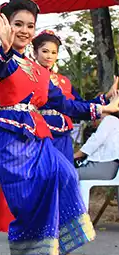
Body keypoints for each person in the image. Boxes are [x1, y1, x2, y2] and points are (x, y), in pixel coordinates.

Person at [0, 0, 119, 255]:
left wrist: (104, 107)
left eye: (29, 25)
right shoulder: (3, 60)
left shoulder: (38, 70)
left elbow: (64, 104)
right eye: (17, 23)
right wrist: (4, 49)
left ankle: (62, 243)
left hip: (40, 138)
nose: (23, 30)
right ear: (6, 24)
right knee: (24, 203)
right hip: (13, 142)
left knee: (66, 174)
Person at [30, 30, 116, 161]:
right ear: (35, 53)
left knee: (65, 174)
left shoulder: (63, 81)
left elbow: (79, 104)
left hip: (63, 134)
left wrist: (106, 96)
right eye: (45, 51)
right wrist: (105, 108)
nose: (49, 56)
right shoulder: (33, 77)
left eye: (54, 52)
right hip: (40, 132)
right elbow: (66, 105)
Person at [74, 111, 119, 181]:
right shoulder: (114, 122)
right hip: (105, 166)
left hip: (104, 166)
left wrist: (75, 156)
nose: (92, 123)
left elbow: (95, 141)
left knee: (67, 174)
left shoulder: (110, 119)